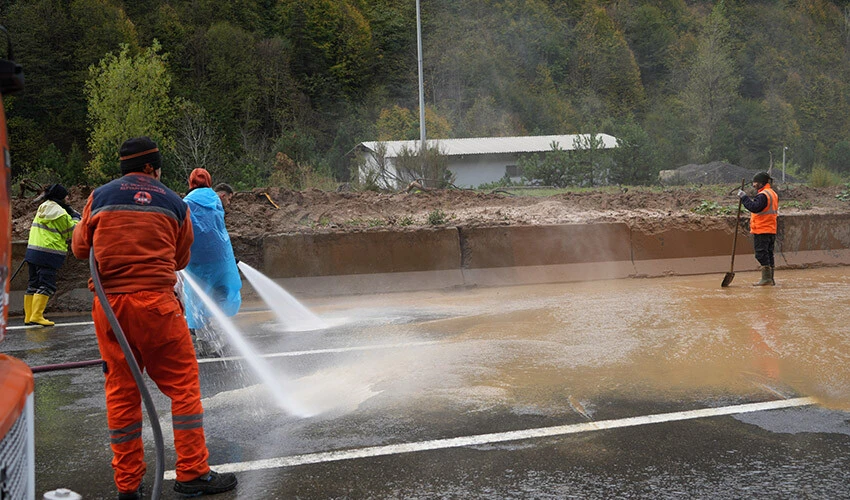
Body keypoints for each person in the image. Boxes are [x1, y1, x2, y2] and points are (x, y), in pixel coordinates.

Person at [71, 137, 237, 499]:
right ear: (150, 167)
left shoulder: (99, 198)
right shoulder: (173, 202)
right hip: (157, 307)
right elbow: (181, 258)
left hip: (110, 308)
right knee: (183, 387)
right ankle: (192, 472)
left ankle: (128, 485)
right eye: (158, 167)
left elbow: (81, 248)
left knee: (122, 393)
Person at [183, 170, 241, 340]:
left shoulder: (186, 203)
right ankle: (218, 333)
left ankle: (204, 338)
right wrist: (228, 257)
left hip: (196, 261)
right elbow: (219, 233)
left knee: (196, 297)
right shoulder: (215, 200)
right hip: (219, 259)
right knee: (220, 293)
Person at [24, 183, 79, 326]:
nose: (68, 198)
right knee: (46, 285)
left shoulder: (43, 207)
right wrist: (76, 218)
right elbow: (72, 232)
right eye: (66, 196)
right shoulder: (59, 213)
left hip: (33, 251)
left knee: (33, 284)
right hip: (48, 252)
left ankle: (29, 317)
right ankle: (37, 316)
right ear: (60, 197)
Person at [737, 171, 778, 286]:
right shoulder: (772, 193)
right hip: (771, 228)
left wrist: (744, 197)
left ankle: (767, 279)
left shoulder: (763, 195)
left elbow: (754, 207)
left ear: (761, 183)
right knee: (768, 254)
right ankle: (770, 279)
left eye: (755, 182)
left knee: (761, 254)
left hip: (762, 229)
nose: (754, 185)